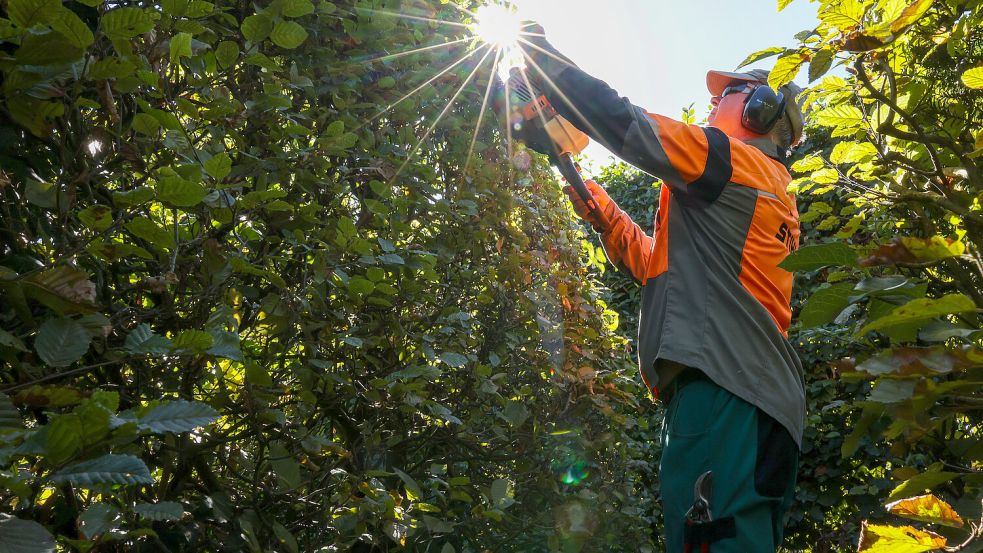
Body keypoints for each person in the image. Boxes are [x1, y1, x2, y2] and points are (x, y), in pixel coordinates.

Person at [519, 23, 807, 552]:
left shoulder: (734, 163)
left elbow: (630, 126)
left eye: (726, 94)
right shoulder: (758, 192)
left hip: (727, 391)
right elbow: (653, 261)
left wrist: (546, 62)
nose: (713, 103)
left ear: (760, 109)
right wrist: (569, 163)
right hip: (746, 396)